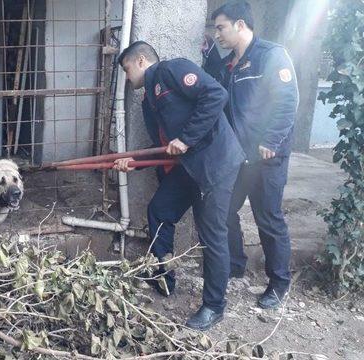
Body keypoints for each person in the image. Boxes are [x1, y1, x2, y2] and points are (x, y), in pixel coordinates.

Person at [114, 40, 245, 330]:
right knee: (160, 210)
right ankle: (164, 277)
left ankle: (214, 306)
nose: (127, 78)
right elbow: (163, 146)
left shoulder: (173, 70)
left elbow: (216, 95)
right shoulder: (150, 101)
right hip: (189, 166)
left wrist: (186, 139)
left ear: (140, 61)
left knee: (211, 234)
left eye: (126, 70)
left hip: (215, 163)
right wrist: (132, 160)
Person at [211, 1, 299, 309]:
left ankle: (278, 283)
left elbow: (287, 100)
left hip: (267, 155)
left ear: (240, 25)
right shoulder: (228, 65)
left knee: (268, 218)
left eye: (220, 27)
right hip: (239, 156)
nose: (217, 34)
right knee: (224, 212)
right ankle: (235, 264)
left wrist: (272, 139)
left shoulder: (271, 55)